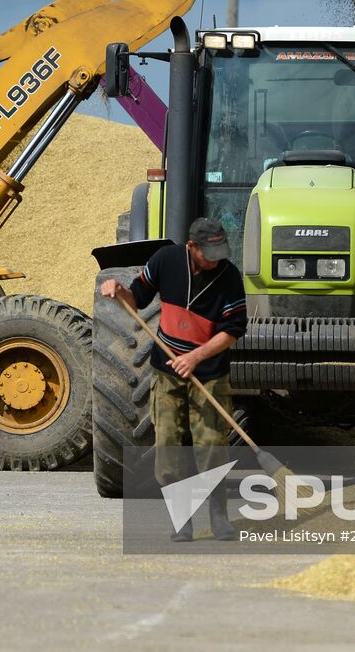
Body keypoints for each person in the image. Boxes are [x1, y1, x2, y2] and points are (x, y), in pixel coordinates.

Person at [99, 217, 247, 541]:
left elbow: (233, 331)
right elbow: (137, 298)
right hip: (167, 373)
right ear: (192, 247)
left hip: (209, 374)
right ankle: (182, 521)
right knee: (168, 450)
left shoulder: (229, 277)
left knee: (212, 446)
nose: (217, 258)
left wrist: (195, 357)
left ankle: (219, 516)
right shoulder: (166, 260)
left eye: (221, 250)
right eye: (210, 252)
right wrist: (119, 290)